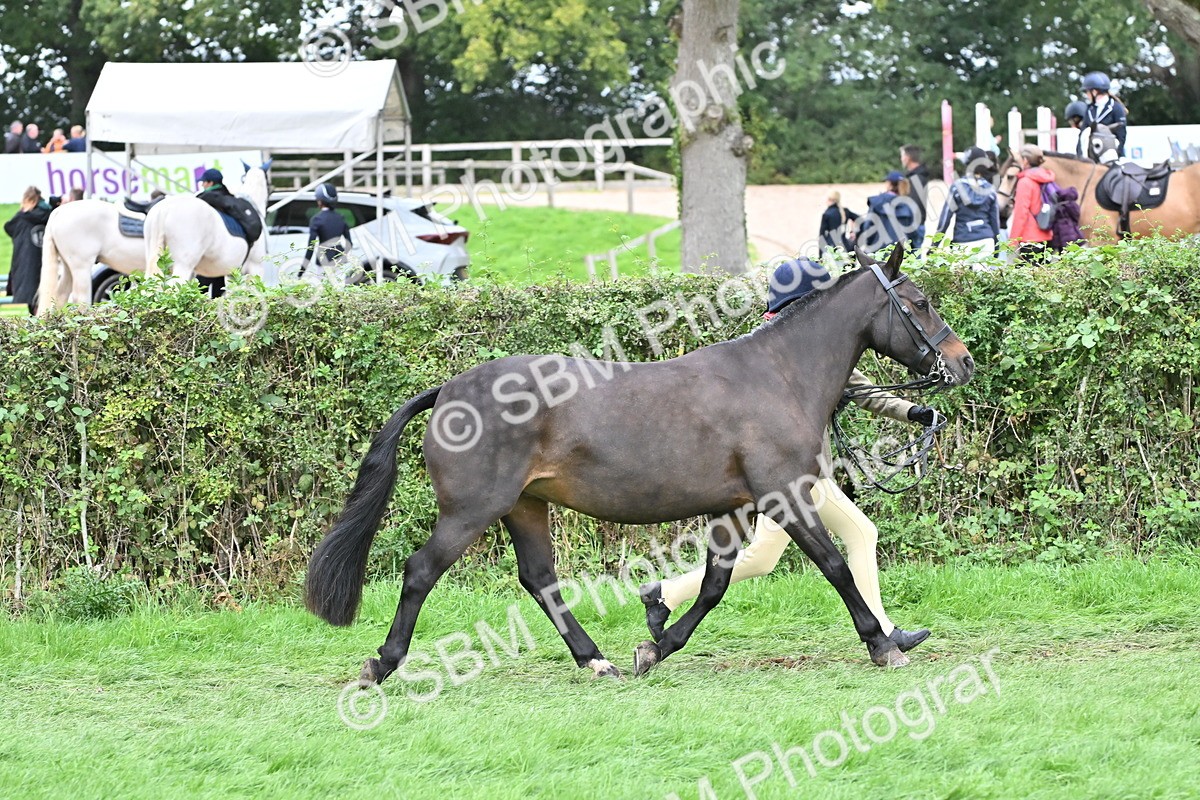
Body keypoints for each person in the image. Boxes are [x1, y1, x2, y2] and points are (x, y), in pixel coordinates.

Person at [639, 259, 940, 654]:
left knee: (765, 556)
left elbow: (864, 390)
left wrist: (911, 411)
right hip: (788, 475)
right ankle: (881, 632)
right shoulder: (783, 355)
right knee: (852, 534)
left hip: (805, 473)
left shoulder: (814, 354)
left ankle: (664, 593)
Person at [935, 146, 1000, 257]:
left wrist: (934, 244)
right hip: (986, 241)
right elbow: (995, 222)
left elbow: (945, 219)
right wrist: (996, 246)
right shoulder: (990, 190)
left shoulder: (956, 188)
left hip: (962, 241)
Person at [4, 186, 53, 313]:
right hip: (46, 261)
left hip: (26, 263)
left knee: (32, 299)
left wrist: (22, 211)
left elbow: (9, 227)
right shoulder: (50, 215)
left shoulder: (22, 218)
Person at [1008, 144, 1055, 263]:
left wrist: (1012, 241)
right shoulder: (1046, 177)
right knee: (1044, 276)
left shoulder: (1025, 182)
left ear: (1025, 161)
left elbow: (1021, 214)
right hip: (1047, 235)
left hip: (1029, 239)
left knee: (1029, 277)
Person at [301, 183, 353, 276]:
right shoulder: (341, 218)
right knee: (338, 289)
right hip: (339, 263)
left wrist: (302, 270)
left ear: (320, 201)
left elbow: (310, 248)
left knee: (323, 289)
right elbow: (350, 243)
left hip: (323, 262)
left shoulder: (317, 219)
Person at [856, 172, 914, 254]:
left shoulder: (877, 202)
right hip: (900, 254)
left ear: (889, 184)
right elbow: (913, 233)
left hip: (878, 251)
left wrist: (869, 244)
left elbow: (868, 227)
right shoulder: (908, 205)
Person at [1080, 72, 1127, 158]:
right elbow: (1082, 134)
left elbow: (1121, 136)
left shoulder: (1116, 108)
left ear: (1094, 92)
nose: (1086, 95)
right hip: (1092, 155)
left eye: (1087, 91)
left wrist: (1116, 156)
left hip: (1112, 155)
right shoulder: (1089, 109)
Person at [899, 144, 931, 250]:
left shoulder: (916, 179)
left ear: (908, 157)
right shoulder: (916, 176)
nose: (901, 159)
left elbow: (914, 204)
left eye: (902, 156)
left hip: (914, 226)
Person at [817, 191, 858, 256]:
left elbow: (822, 236)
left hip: (831, 248)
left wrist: (820, 256)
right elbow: (859, 219)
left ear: (829, 200)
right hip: (845, 246)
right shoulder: (845, 211)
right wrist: (853, 232)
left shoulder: (826, 214)